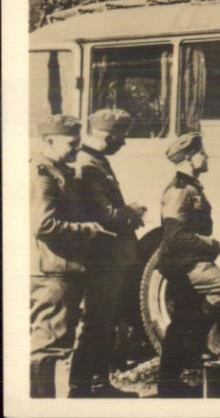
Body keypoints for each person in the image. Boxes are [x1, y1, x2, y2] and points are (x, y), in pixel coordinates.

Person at [30, 115, 114, 398]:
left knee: (57, 344)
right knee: (46, 347)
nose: (77, 150)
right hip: (53, 272)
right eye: (71, 144)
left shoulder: (60, 171)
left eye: (79, 144)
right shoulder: (42, 174)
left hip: (64, 270)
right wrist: (86, 229)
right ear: (49, 141)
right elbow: (43, 224)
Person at [156, 133, 220, 398]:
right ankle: (195, 342)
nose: (207, 157)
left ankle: (168, 383)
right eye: (202, 153)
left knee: (180, 320)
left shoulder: (192, 187)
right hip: (184, 263)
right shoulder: (180, 191)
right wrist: (209, 244)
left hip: (188, 261)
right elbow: (175, 236)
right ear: (189, 159)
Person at [70, 109, 145, 397]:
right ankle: (81, 386)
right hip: (103, 257)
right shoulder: (89, 165)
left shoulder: (96, 161)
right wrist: (133, 212)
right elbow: (107, 215)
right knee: (97, 322)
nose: (123, 143)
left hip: (110, 256)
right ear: (106, 135)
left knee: (105, 321)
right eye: (120, 137)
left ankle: (98, 383)